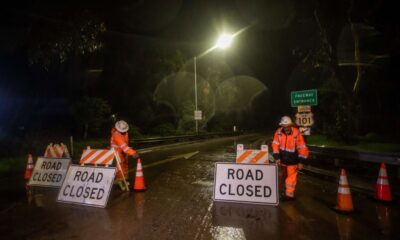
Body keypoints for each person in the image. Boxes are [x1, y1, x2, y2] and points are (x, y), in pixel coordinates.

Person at [272, 116, 309, 200]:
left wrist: (301, 161)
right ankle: (285, 191)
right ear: (282, 126)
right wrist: (277, 157)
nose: (286, 128)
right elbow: (275, 145)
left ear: (290, 125)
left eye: (288, 126)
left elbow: (302, 147)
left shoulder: (296, 133)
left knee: (290, 178)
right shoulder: (278, 132)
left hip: (293, 161)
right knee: (284, 176)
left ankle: (289, 194)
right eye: (284, 127)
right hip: (282, 161)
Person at [110, 120, 139, 189]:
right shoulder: (116, 135)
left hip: (123, 150)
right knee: (119, 165)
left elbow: (125, 144)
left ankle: (125, 178)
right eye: (122, 131)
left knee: (125, 164)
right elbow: (123, 146)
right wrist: (133, 153)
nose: (123, 132)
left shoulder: (125, 133)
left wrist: (128, 150)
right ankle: (120, 179)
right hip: (116, 151)